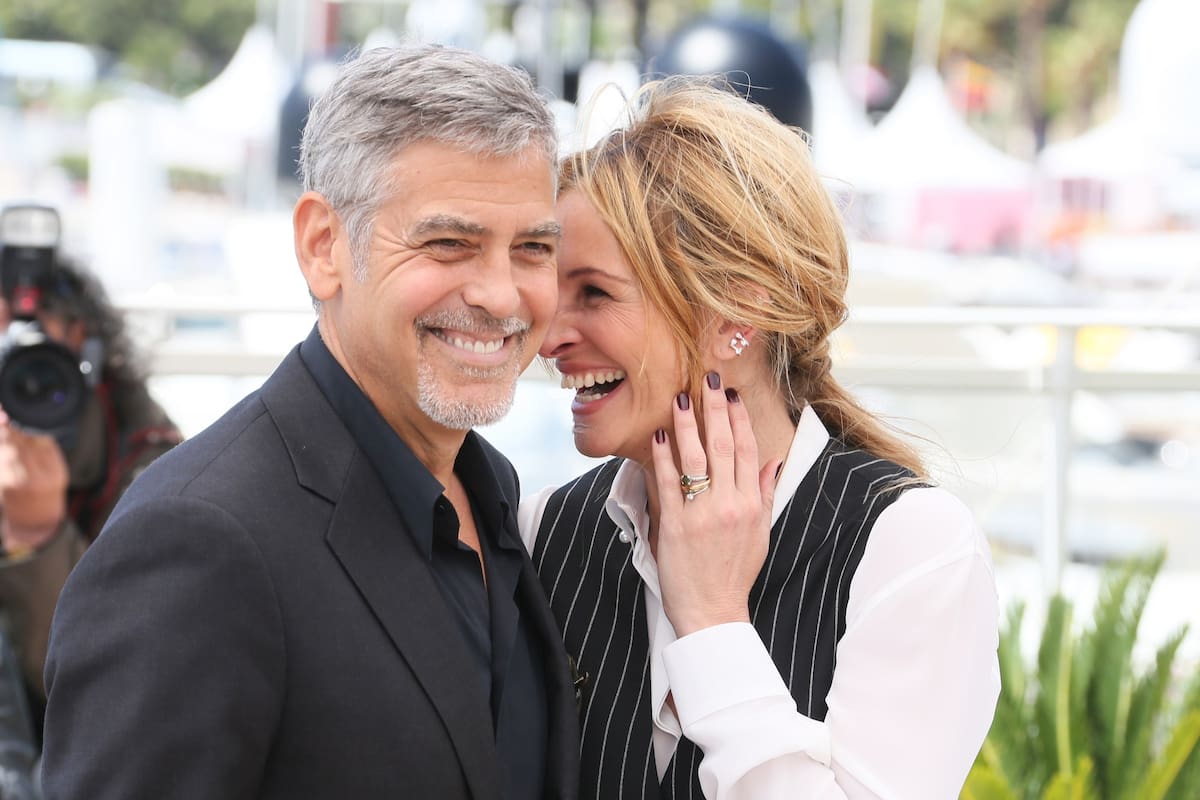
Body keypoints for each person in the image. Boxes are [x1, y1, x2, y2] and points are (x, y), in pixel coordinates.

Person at [42, 44, 580, 799]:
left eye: (532, 248)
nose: (500, 293)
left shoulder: (492, 493)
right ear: (323, 247)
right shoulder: (196, 542)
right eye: (448, 243)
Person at [519, 77, 1000, 799]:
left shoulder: (911, 549)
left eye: (594, 293)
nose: (551, 336)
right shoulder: (545, 532)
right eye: (555, 294)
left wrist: (713, 623)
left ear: (736, 311)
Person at [0, 251, 181, 796]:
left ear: (85, 346)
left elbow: (123, 691)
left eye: (29, 353)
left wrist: (38, 537)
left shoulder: (149, 460)